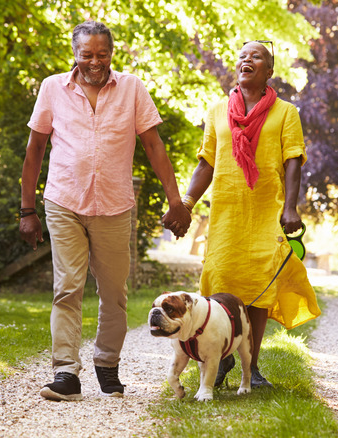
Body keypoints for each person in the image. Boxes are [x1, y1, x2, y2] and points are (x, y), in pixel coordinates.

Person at [19, 21, 191, 402]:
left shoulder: (132, 88)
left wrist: (175, 201)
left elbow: (153, 145)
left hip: (113, 206)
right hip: (64, 201)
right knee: (67, 288)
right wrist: (26, 209)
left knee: (114, 293)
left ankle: (107, 364)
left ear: (111, 53)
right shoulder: (52, 88)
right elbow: (34, 150)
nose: (95, 62)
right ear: (75, 54)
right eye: (87, 55)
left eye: (102, 54)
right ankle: (65, 372)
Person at [179, 40, 321, 388]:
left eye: (256, 56)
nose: (247, 60)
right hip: (226, 212)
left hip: (264, 211)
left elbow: (293, 161)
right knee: (220, 282)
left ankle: (251, 368)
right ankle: (222, 358)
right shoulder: (216, 111)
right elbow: (206, 163)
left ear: (269, 71)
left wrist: (290, 207)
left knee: (258, 289)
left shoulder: (286, 112)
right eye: (243, 56)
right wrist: (185, 203)